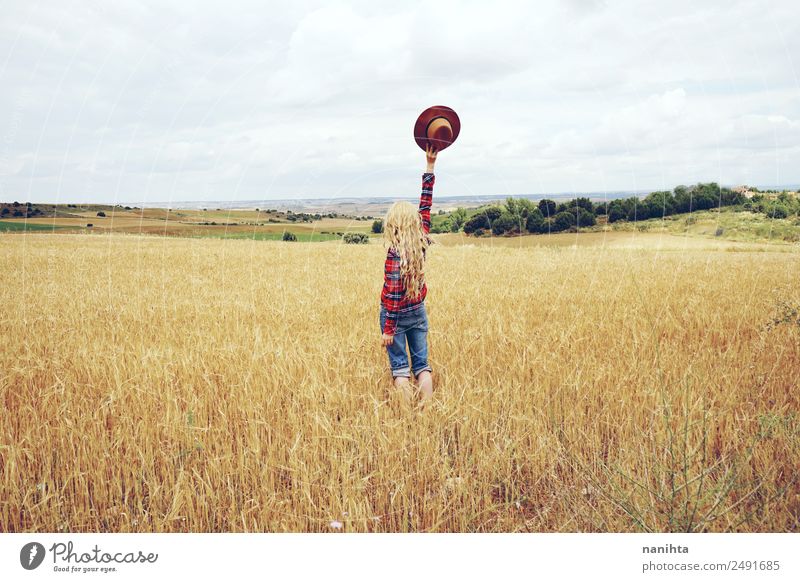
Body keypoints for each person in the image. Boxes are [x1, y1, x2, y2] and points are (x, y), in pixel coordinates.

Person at [379, 144, 438, 405]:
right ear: (414, 223)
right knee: (422, 366)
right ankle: (426, 411)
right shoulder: (421, 243)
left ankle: (405, 419)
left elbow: (392, 296)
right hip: (418, 311)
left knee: (401, 370)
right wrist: (430, 166)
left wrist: (388, 329)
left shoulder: (394, 255)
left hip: (398, 315)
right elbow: (425, 205)